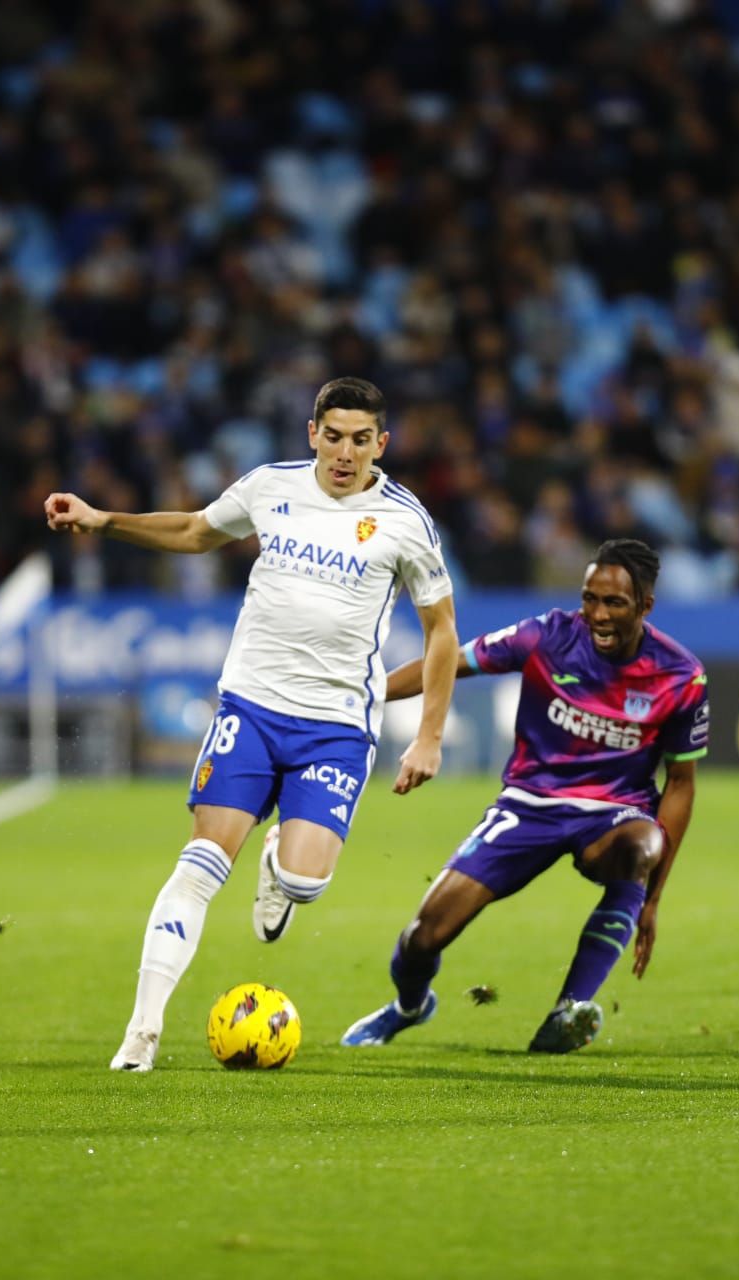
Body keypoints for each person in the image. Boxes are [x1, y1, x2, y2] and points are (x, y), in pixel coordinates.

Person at [45, 376, 459, 1072]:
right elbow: (198, 530)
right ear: (312, 435)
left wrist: (429, 736)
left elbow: (442, 631)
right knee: (202, 862)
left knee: (305, 882)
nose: (345, 453)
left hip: (335, 727)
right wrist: (103, 519)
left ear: (380, 444)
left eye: (361, 440)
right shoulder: (271, 487)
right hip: (251, 708)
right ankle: (141, 1032)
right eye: (334, 437)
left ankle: (280, 866)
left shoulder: (404, 521)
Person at [341, 540, 708, 1052]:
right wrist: (365, 691)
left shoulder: (681, 676)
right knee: (424, 935)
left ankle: (568, 1010)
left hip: (614, 815)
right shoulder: (547, 635)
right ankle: (409, 1006)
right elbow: (449, 661)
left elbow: (681, 785)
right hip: (528, 805)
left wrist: (654, 896)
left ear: (645, 606)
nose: (598, 615)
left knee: (645, 843)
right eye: (590, 599)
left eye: (614, 603)